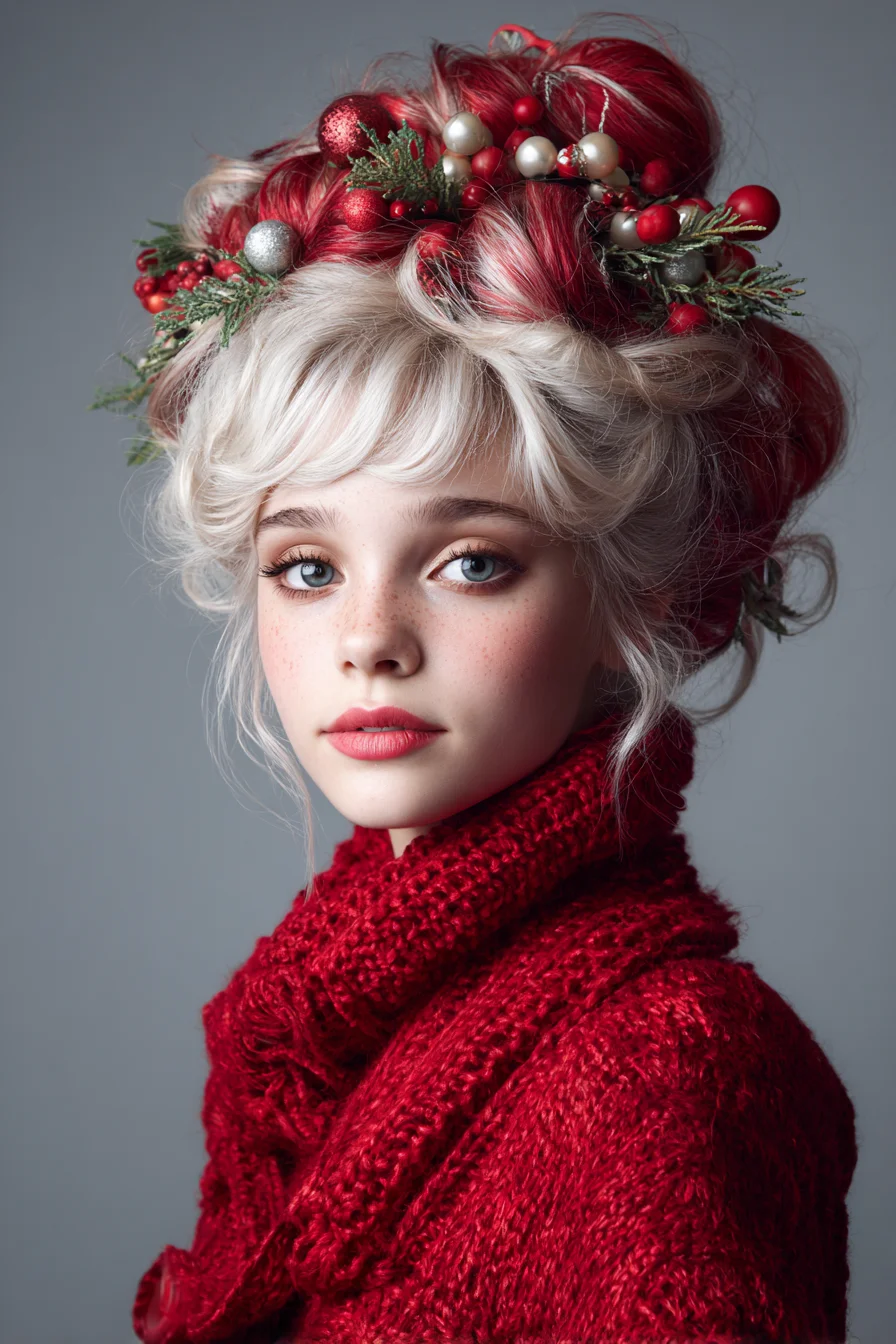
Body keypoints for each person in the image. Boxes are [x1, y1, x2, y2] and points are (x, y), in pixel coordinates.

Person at [96, 16, 858, 1344]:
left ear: (630, 595)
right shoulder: (311, 1033)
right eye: (308, 567)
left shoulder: (666, 1069)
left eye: (469, 562)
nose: (370, 639)